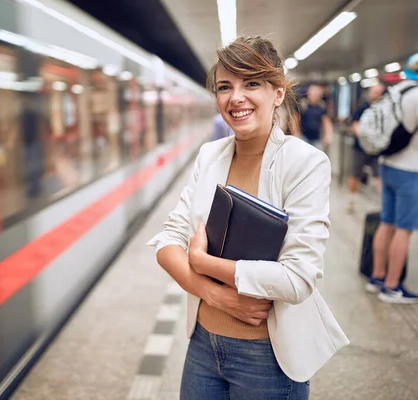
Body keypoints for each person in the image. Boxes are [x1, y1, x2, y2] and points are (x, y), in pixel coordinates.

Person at [147, 36, 348, 399]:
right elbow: (167, 240)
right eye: (225, 87)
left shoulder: (305, 164)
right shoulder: (210, 156)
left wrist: (201, 261)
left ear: (278, 93)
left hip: (267, 358)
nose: (235, 97)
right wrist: (214, 293)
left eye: (251, 83)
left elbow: (298, 278)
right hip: (203, 348)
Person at [368, 53, 418, 303]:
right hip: (410, 170)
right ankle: (392, 287)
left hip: (386, 165)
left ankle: (376, 278)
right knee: (404, 229)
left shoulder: (395, 91)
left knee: (387, 223)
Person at [347, 82, 386, 213]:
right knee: (355, 175)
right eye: (374, 92)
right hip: (360, 149)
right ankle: (352, 200)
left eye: (378, 92)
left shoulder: (384, 109)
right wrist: (365, 138)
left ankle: (385, 205)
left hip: (376, 150)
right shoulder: (362, 108)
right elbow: (354, 125)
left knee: (379, 175)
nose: (376, 95)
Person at [295, 84, 334, 149]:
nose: (314, 95)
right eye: (312, 93)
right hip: (304, 138)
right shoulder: (303, 106)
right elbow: (295, 119)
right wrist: (296, 133)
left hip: (316, 139)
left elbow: (326, 122)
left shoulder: (321, 108)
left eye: (316, 94)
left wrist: (328, 135)